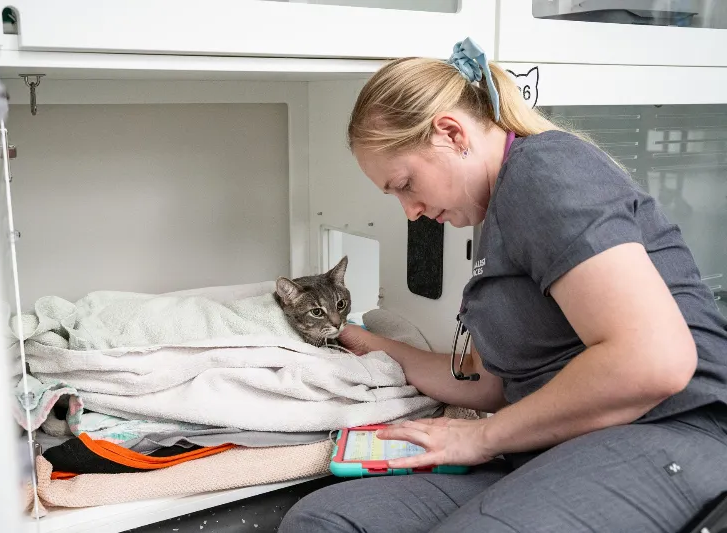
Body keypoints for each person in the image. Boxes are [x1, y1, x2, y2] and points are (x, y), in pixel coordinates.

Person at [279, 38, 727, 532]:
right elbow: (486, 383)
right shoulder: (493, 219)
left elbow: (656, 360)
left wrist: (482, 438)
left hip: (668, 430)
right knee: (326, 519)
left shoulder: (545, 170)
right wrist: (352, 338)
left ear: (450, 133)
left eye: (404, 184)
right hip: (551, 445)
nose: (411, 212)